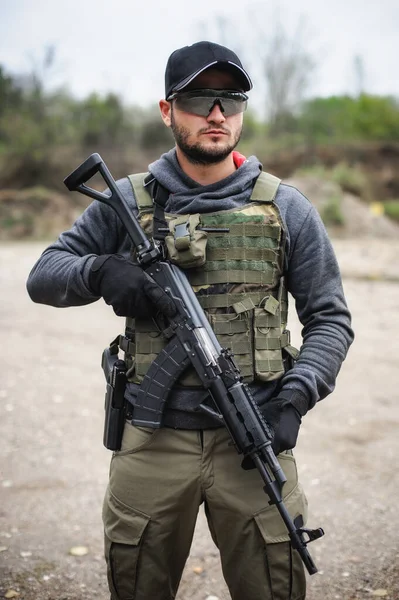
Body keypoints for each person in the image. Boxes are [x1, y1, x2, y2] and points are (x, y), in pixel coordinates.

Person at [26, 41, 354, 600]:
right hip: (151, 441)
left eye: (231, 100)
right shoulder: (124, 203)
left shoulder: (287, 208)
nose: (218, 114)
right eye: (201, 99)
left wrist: (296, 396)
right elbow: (43, 275)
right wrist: (102, 271)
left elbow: (331, 320)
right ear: (167, 110)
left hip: (252, 437)